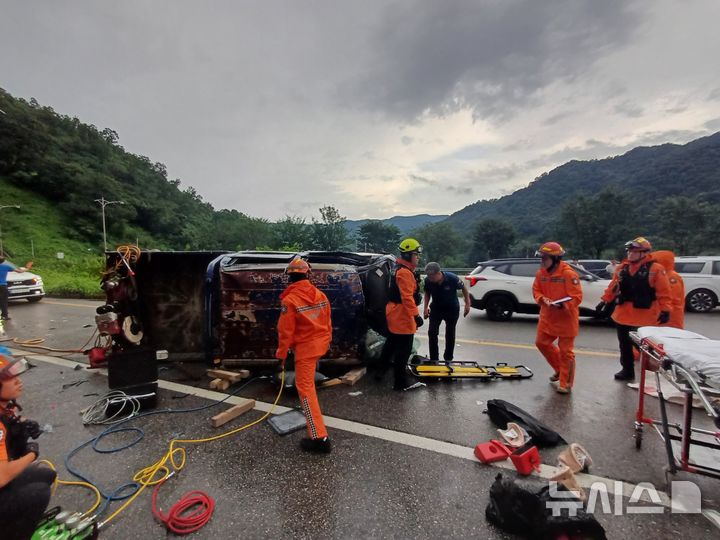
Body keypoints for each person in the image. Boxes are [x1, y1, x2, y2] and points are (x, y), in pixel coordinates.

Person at [276, 257, 333, 454]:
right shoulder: (320, 295)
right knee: (307, 385)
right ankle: (318, 434)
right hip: (319, 345)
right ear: (307, 274)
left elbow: (285, 332)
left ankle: (319, 437)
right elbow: (327, 323)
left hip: (306, 351)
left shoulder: (289, 300)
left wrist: (281, 356)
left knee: (305, 390)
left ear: (289, 277)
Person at [0, 347, 56, 540]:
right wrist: (31, 453)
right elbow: (2, 476)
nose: (18, 380)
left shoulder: (4, 409)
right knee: (39, 493)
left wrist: (21, 429)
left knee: (46, 474)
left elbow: (7, 441)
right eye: (9, 377)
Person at [597, 237, 672, 381]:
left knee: (646, 348)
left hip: (645, 315)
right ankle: (627, 370)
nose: (630, 254)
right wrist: (605, 301)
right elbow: (614, 287)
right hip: (623, 314)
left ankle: (658, 371)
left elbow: (663, 292)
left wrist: (665, 310)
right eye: (629, 251)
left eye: (634, 251)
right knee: (624, 345)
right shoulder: (622, 268)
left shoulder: (656, 269)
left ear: (644, 253)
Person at [531, 242, 583, 394]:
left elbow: (577, 297)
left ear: (555, 259)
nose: (542, 261)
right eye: (541, 258)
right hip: (547, 316)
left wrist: (563, 305)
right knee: (541, 343)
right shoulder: (541, 273)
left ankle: (565, 382)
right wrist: (543, 299)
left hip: (566, 319)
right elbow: (536, 291)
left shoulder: (569, 274)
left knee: (566, 352)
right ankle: (560, 370)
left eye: (545, 258)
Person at [377, 238, 426, 392]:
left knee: (391, 344)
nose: (418, 257)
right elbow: (407, 298)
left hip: (394, 312)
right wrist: (416, 316)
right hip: (402, 315)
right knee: (403, 350)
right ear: (407, 256)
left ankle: (380, 371)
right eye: (415, 255)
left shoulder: (398, 268)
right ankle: (400, 382)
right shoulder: (405, 273)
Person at [422, 262, 470, 362]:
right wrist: (425, 308)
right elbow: (427, 293)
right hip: (436, 309)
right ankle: (434, 358)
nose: (430, 278)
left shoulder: (452, 278)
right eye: (428, 276)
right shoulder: (428, 281)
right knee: (432, 332)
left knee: (450, 334)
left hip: (452, 310)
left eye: (431, 276)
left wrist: (467, 304)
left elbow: (464, 289)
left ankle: (448, 358)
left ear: (438, 273)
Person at [652, 250, 685, 329]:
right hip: (662, 315)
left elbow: (671, 296)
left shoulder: (671, 277)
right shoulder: (663, 274)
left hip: (671, 317)